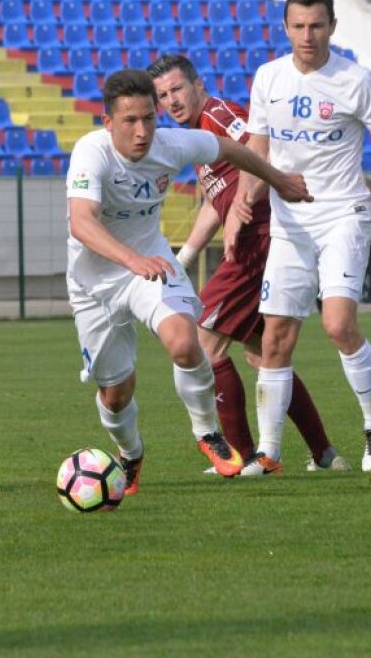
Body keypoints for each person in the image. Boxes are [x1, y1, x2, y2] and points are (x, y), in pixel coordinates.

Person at [66, 69, 312, 494]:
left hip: (151, 266)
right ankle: (131, 452)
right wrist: (131, 259)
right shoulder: (92, 153)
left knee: (185, 342)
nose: (142, 131)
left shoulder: (172, 144)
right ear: (108, 123)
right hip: (96, 285)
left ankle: (207, 432)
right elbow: (81, 222)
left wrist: (281, 181)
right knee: (115, 395)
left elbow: (236, 149)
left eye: (149, 118)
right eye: (129, 121)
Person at [225, 0, 371, 475]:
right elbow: (257, 149)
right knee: (275, 338)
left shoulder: (355, 80)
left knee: (337, 324)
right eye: (299, 26)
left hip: (343, 213)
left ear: (332, 27)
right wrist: (245, 199)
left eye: (317, 25)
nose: (308, 35)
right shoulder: (268, 78)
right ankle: (270, 451)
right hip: (289, 222)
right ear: (286, 28)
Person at [148, 53, 348, 473]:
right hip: (256, 242)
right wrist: (184, 256)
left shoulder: (219, 115)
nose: (172, 100)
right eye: (164, 95)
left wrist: (246, 198)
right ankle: (324, 455)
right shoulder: (200, 139)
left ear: (198, 85)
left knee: (204, 339)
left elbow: (263, 149)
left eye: (177, 89)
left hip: (260, 238)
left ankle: (237, 458)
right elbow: (214, 204)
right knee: (263, 356)